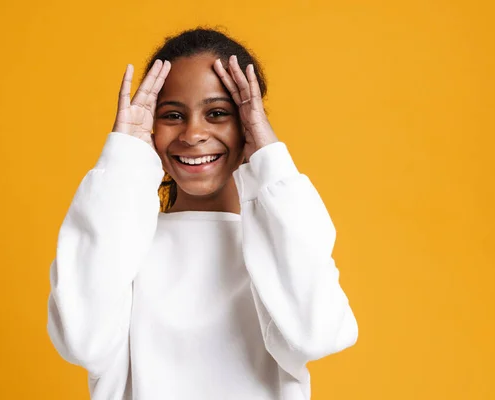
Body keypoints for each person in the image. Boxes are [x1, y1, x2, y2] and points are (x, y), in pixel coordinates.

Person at [47, 28, 358, 400]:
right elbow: (82, 341)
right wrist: (123, 161)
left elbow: (315, 334)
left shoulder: (278, 244)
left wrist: (270, 160)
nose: (194, 133)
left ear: (247, 125)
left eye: (217, 113)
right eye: (173, 115)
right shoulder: (124, 244)